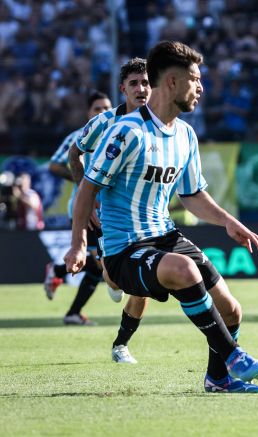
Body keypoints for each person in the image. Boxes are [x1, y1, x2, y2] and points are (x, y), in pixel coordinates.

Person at [64, 41, 258, 393]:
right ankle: (233, 356)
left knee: (232, 310)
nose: (201, 87)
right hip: (125, 249)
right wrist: (79, 243)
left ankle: (218, 379)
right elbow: (87, 188)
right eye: (195, 79)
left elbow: (191, 195)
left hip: (165, 236)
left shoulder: (186, 135)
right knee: (185, 271)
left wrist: (228, 222)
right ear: (172, 82)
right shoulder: (126, 132)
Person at [68, 58, 151, 363]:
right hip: (110, 216)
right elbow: (74, 152)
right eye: (134, 83)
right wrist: (85, 197)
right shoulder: (104, 122)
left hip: (147, 219)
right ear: (123, 89)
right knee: (117, 283)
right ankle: (109, 274)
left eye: (146, 83)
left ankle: (121, 345)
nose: (141, 89)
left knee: (143, 284)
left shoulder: (160, 125)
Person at [45, 90, 112, 326]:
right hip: (86, 208)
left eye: (106, 108)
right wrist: (83, 182)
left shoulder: (118, 134)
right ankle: (59, 275)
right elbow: (54, 165)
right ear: (88, 113)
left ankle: (61, 280)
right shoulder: (79, 136)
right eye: (97, 109)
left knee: (95, 267)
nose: (102, 113)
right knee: (101, 265)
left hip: (111, 209)